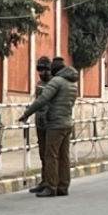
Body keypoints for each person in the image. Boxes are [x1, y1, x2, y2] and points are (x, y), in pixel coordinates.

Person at [18, 57, 79, 198]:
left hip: (55, 124)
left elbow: (42, 99)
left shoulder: (56, 82)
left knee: (50, 155)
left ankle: (51, 187)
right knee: (64, 157)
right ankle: (63, 186)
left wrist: (26, 113)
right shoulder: (71, 83)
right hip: (66, 123)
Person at [28, 56, 52, 194]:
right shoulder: (39, 84)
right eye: (39, 69)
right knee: (43, 153)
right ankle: (44, 180)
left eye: (44, 70)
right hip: (40, 123)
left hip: (50, 122)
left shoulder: (54, 84)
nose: (41, 73)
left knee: (50, 155)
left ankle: (51, 181)